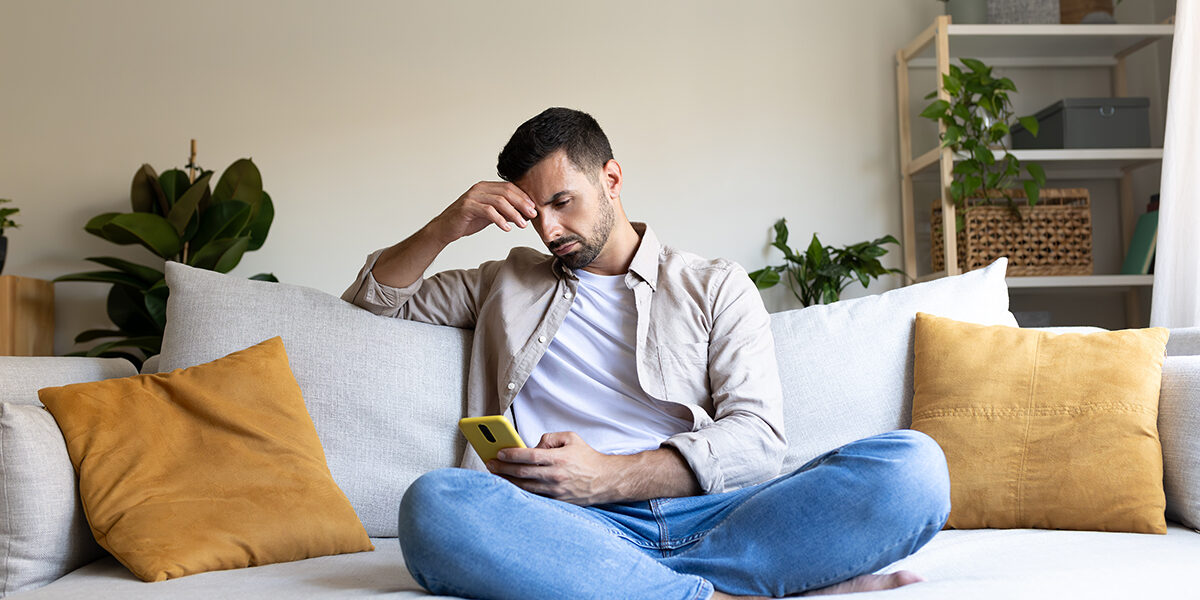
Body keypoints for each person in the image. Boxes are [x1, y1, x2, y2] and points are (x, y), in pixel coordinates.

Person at [342, 107, 950, 599]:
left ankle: (648, 591)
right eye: (534, 214)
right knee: (435, 505)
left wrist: (607, 475)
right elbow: (374, 301)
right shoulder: (502, 282)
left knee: (914, 467)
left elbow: (759, 439)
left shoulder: (713, 283)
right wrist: (446, 225)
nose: (549, 231)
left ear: (611, 179)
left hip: (714, 519)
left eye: (562, 202)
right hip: (569, 533)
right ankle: (718, 596)